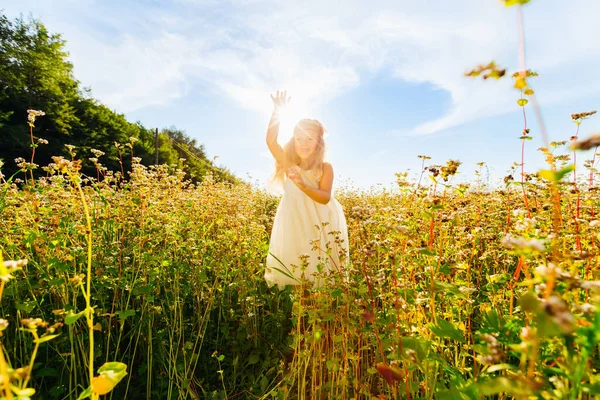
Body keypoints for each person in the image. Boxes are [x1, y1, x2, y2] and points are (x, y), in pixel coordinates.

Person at [264, 90, 349, 290]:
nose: (304, 144)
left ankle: (320, 310)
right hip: (294, 218)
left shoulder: (325, 167)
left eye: (310, 139)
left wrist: (302, 185)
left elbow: (325, 197)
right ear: (293, 140)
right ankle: (300, 313)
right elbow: (270, 141)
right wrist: (277, 110)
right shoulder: (289, 162)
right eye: (299, 139)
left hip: (320, 221)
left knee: (320, 265)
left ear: (318, 143)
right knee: (296, 264)